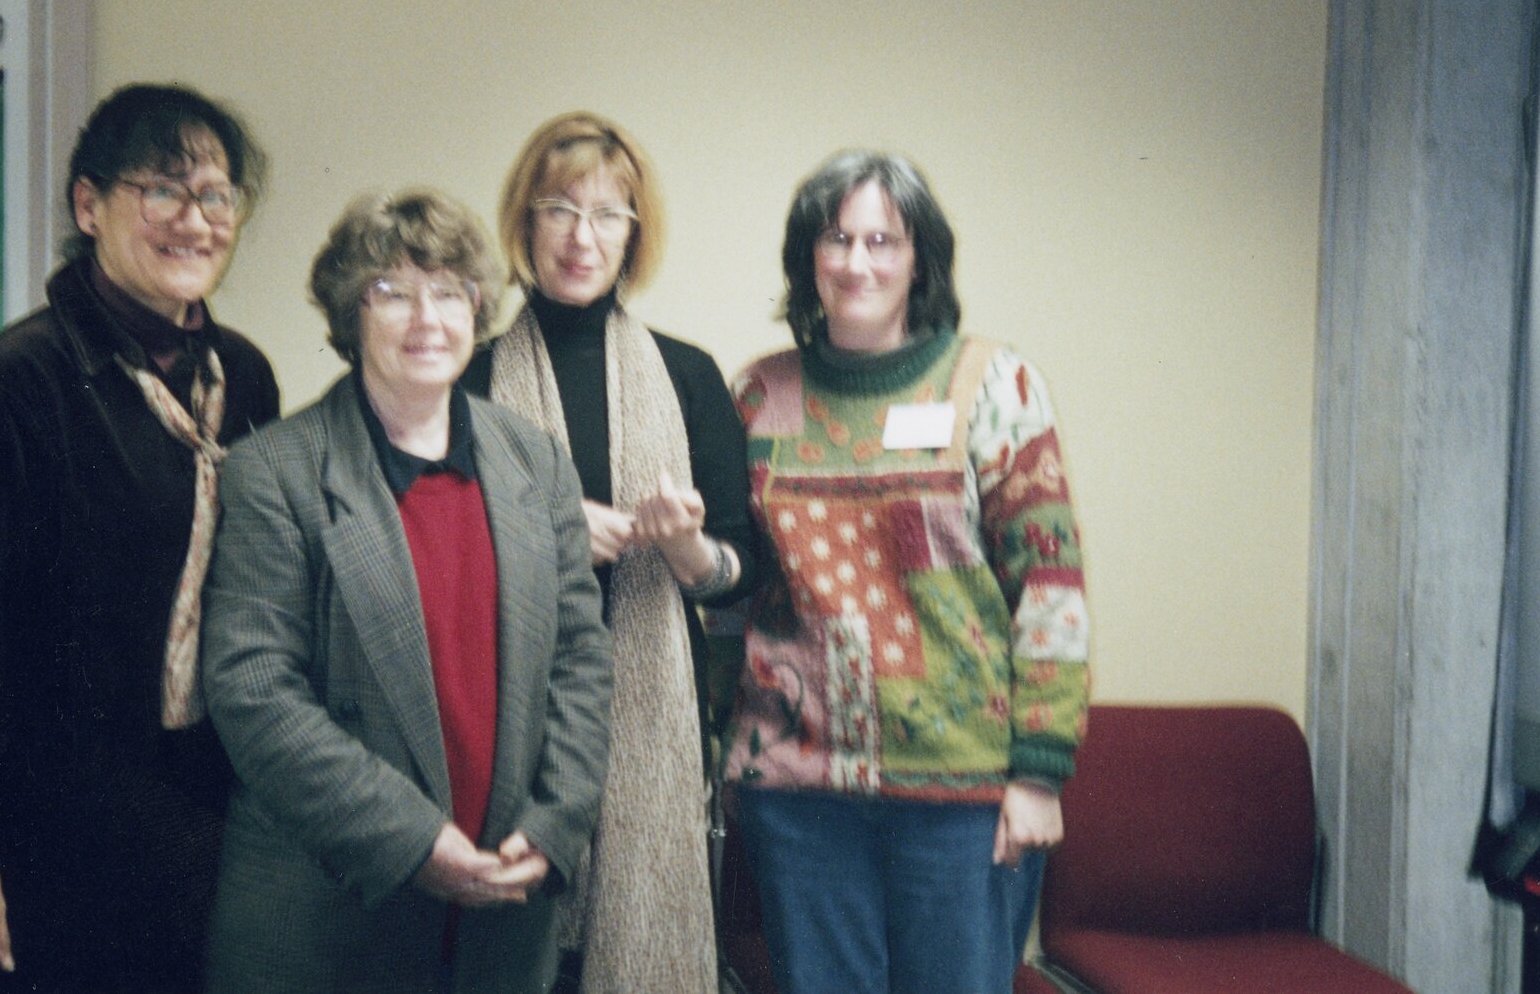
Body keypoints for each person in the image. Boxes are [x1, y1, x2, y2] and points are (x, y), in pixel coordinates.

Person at [0, 84, 281, 992]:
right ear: (89, 205)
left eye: (216, 195)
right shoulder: (14, 387)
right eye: (164, 191)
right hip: (31, 842)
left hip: (187, 824)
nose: (195, 220)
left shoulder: (243, 379)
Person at [199, 188, 613, 994]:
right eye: (392, 292)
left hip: (503, 909)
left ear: (478, 308)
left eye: (450, 291)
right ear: (351, 315)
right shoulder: (275, 472)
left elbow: (582, 657)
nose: (428, 317)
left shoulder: (536, 460)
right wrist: (413, 841)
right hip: (328, 914)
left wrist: (555, 823)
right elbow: (253, 689)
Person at [724, 151, 1091, 994]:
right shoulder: (756, 396)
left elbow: (1050, 589)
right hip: (799, 792)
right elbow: (733, 588)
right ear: (806, 258)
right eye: (837, 239)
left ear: (919, 256)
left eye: (883, 240)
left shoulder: (993, 384)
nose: (858, 262)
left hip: (960, 795)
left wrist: (1038, 775)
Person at [458, 111, 759, 993]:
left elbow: (744, 568)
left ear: (635, 233)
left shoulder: (691, 375)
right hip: (506, 722)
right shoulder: (469, 378)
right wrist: (543, 537)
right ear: (525, 223)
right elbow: (426, 562)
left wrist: (689, 550)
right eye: (558, 209)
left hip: (652, 718)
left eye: (607, 214)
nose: (581, 237)